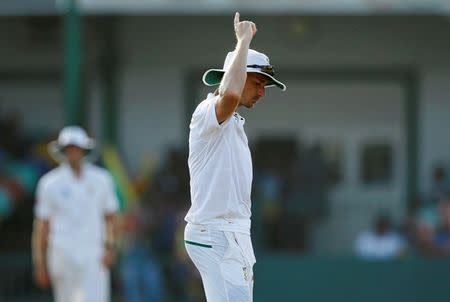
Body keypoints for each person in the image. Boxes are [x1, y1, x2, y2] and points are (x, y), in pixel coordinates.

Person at [184, 12, 286, 302]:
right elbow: (229, 94)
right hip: (216, 231)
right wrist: (243, 40)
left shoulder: (234, 124)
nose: (262, 93)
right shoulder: (207, 113)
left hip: (232, 233)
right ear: (238, 77)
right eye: (258, 83)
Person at [31, 126, 119, 302]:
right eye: (69, 149)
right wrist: (40, 263)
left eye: (76, 148)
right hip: (62, 255)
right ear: (62, 151)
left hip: (94, 254)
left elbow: (111, 218)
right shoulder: (49, 183)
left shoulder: (102, 179)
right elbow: (42, 226)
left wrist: (110, 248)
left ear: (84, 150)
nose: (73, 153)